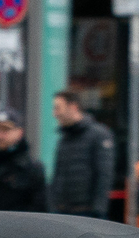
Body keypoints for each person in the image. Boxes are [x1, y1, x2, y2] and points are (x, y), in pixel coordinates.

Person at [48, 88, 116, 219]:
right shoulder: (64, 137)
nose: (54, 113)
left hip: (87, 213)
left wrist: (98, 210)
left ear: (73, 107)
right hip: (62, 211)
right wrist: (53, 205)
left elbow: (104, 175)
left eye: (58, 108)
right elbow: (58, 174)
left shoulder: (99, 135)